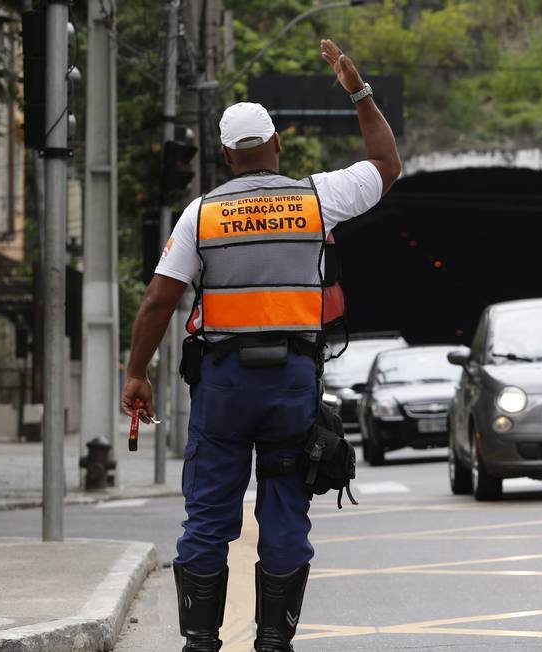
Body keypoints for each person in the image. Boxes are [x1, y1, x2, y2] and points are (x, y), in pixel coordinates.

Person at [120, 39, 400, 652]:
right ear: (277, 145)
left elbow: (158, 301)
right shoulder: (315, 199)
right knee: (283, 517)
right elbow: (384, 165)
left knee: (209, 519)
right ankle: (274, 643)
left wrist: (136, 373)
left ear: (225, 155)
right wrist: (358, 91)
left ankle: (200, 643)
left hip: (222, 390)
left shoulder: (201, 215)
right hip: (290, 389)